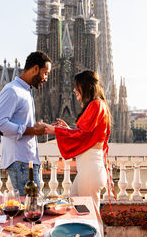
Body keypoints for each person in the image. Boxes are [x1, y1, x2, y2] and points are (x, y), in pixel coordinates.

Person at [44, 70, 111, 209]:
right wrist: (67, 129)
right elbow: (86, 134)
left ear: (88, 87)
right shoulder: (98, 105)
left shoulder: (96, 105)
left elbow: (83, 134)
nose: (74, 90)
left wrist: (55, 130)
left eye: (77, 86)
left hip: (90, 169)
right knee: (75, 205)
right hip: (88, 169)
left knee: (89, 214)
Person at [0, 51, 52, 196]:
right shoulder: (12, 90)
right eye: (45, 73)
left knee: (32, 209)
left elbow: (19, 123)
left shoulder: (25, 91)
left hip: (27, 161)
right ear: (35, 69)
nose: (46, 78)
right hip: (21, 162)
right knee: (31, 210)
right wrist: (31, 130)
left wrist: (35, 127)